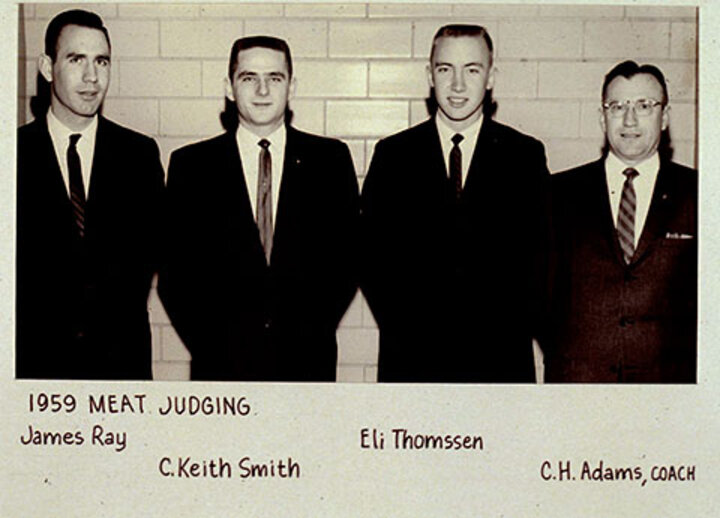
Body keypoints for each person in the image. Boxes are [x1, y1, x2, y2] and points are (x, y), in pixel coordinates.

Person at [158, 36, 359, 381]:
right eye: (249, 78)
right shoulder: (191, 166)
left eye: (275, 78)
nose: (262, 90)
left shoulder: (330, 160)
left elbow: (347, 264)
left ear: (291, 87)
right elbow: (175, 278)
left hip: (306, 369)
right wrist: (218, 346)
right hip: (222, 372)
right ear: (229, 87)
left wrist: (304, 336)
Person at [361, 24, 550, 383]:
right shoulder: (394, 155)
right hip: (413, 361)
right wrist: (412, 327)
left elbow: (539, 257)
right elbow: (371, 258)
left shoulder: (523, 155)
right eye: (445, 69)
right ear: (429, 75)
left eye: (472, 70)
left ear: (491, 76)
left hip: (499, 362)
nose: (458, 85)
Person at [16, 10, 165, 379]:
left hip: (120, 373)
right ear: (47, 67)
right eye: (76, 59)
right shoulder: (12, 154)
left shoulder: (140, 155)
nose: (91, 77)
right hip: (36, 372)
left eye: (101, 61)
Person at [545, 61, 697, 383]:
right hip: (579, 390)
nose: (629, 119)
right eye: (617, 107)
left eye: (644, 105)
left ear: (665, 116)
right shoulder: (558, 194)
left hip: (666, 395)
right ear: (602, 117)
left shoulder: (700, 194)